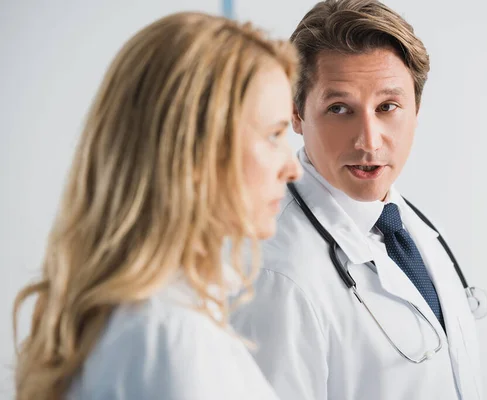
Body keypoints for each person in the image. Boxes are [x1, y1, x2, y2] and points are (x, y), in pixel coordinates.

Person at [12, 12, 301, 400]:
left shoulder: (132, 319)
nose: (293, 168)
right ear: (194, 151)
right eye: (273, 135)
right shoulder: (171, 337)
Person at [231, 1, 483, 399]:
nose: (368, 140)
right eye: (339, 109)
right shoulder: (277, 275)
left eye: (388, 107)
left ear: (416, 108)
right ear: (296, 113)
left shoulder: (411, 226)